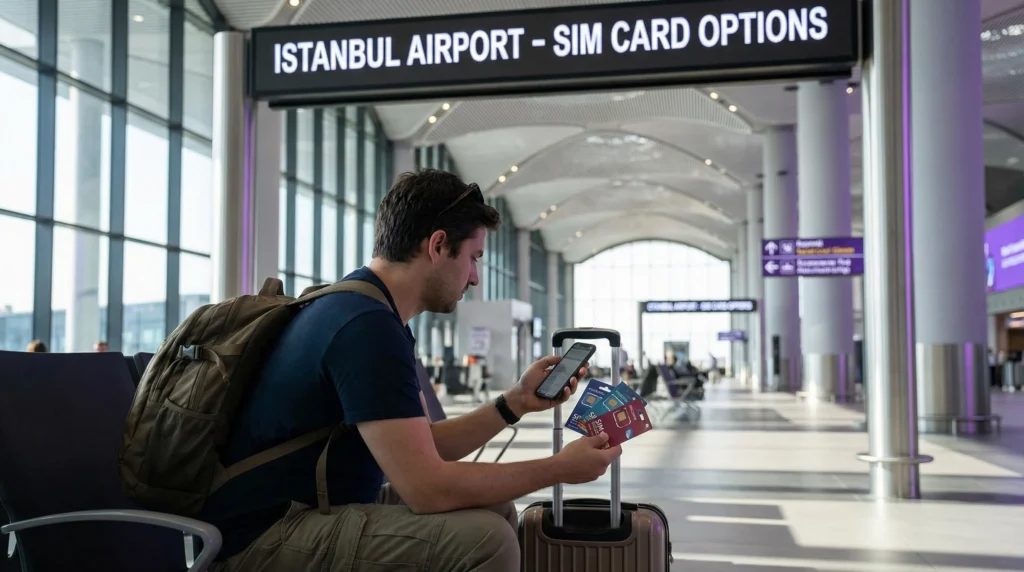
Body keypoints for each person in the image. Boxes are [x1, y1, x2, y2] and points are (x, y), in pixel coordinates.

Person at [204, 169, 622, 572]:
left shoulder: (365, 309)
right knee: (484, 541)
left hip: (306, 512)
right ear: (439, 245)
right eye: (474, 258)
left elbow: (426, 446)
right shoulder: (365, 326)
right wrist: (558, 469)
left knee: (491, 508)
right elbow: (427, 490)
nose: (475, 278)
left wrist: (512, 403)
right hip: (262, 539)